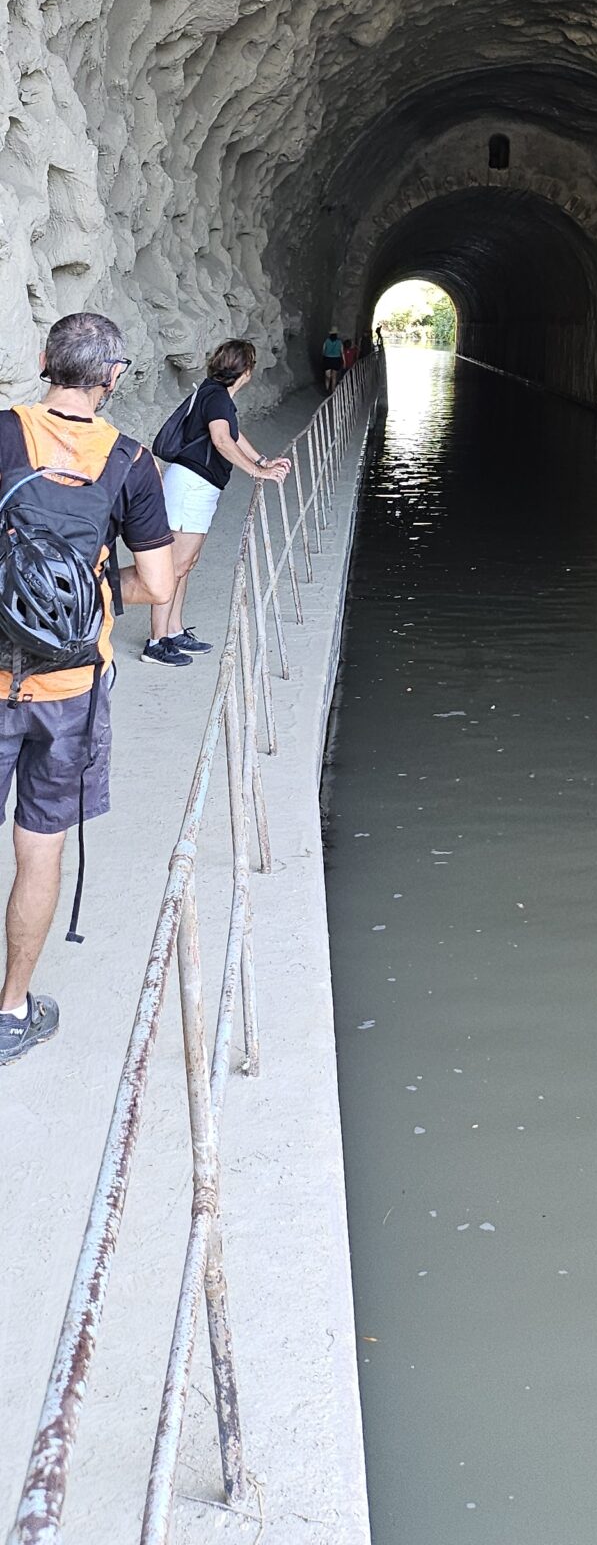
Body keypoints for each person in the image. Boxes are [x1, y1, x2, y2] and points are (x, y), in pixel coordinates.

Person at [0, 312, 175, 1067]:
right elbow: (158, 584)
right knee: (40, 849)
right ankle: (11, 1011)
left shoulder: (3, 434)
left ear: (44, 359)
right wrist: (95, 594)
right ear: (114, 378)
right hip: (72, 688)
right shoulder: (131, 461)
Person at [142, 339, 291, 668]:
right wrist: (257, 472)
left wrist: (262, 461)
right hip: (190, 487)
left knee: (186, 564)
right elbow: (222, 440)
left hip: (199, 486)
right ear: (246, 370)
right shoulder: (217, 397)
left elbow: (232, 435)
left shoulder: (216, 395)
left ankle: (173, 630)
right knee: (175, 566)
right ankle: (156, 642)